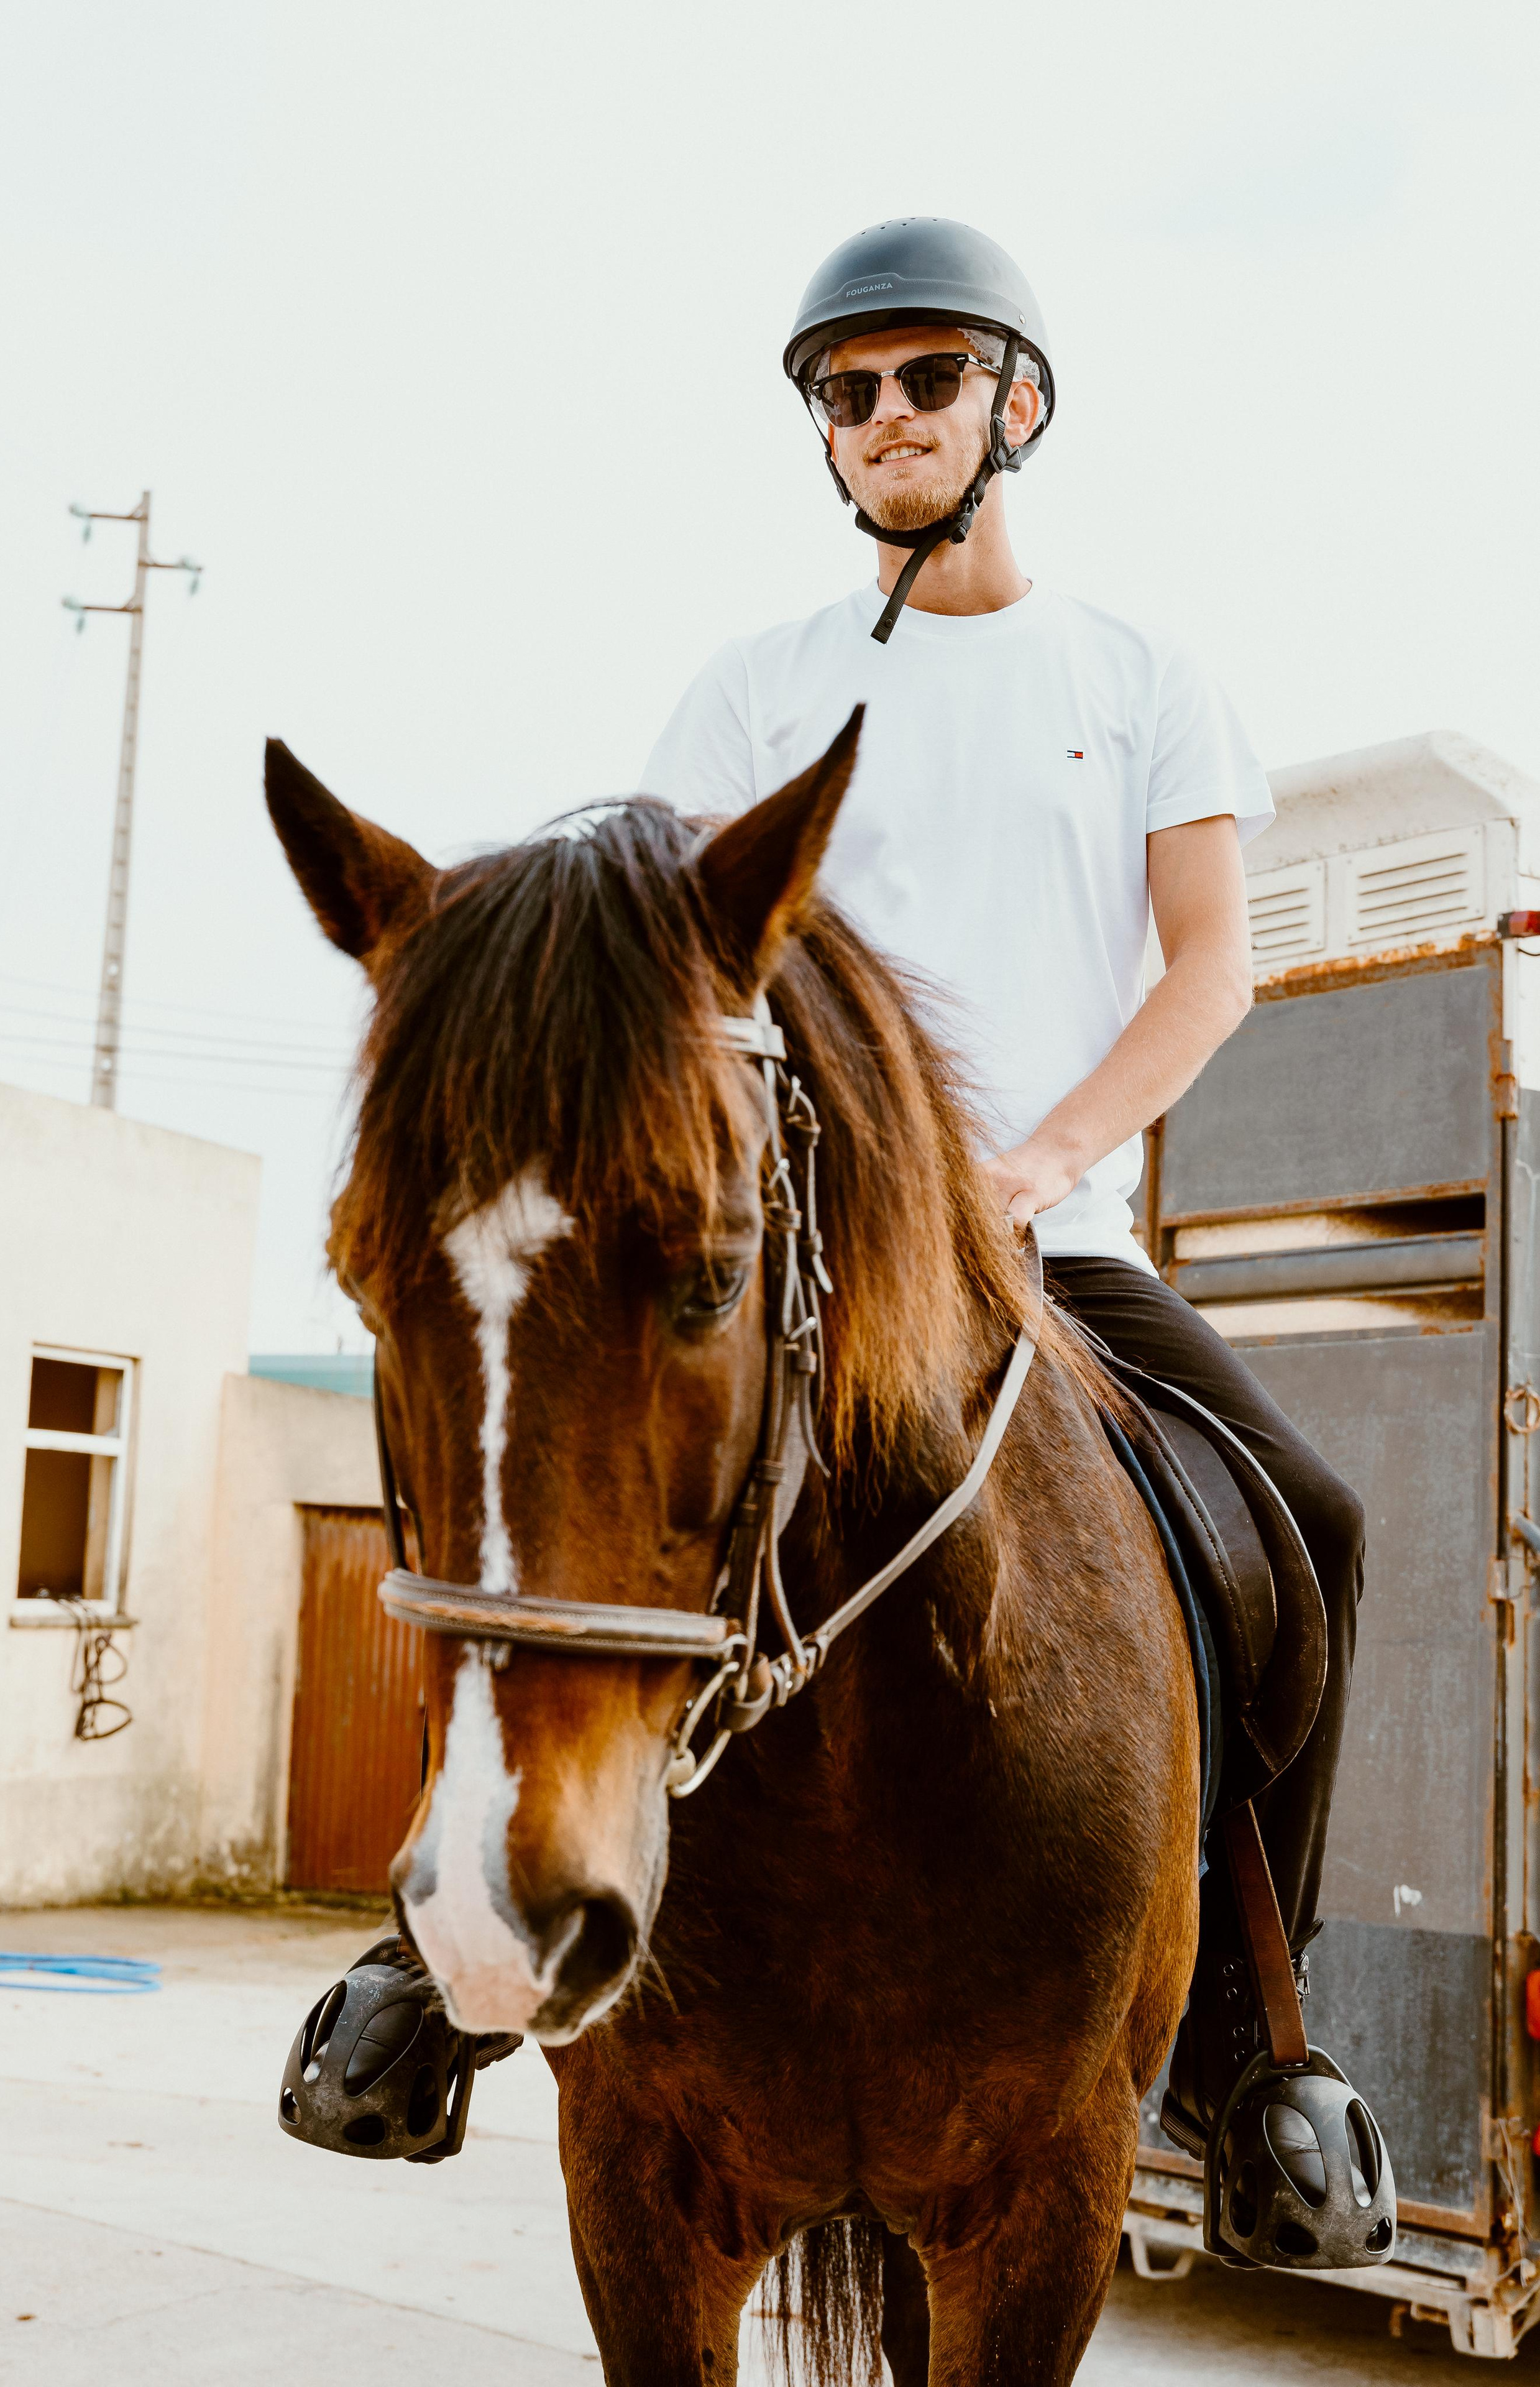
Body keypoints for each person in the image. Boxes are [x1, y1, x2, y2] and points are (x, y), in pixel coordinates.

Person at [283, 219, 1382, 2259]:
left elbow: (1213, 967)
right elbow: (650, 984)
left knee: (1308, 1524)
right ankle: (441, 1964)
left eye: (923, 381)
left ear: (1015, 406)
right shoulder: (753, 687)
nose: (882, 418)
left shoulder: (1141, 678)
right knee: (571, 1468)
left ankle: (1259, 2049)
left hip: (1050, 1248)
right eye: (844, 391)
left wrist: (1034, 1162)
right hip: (793, 1253)